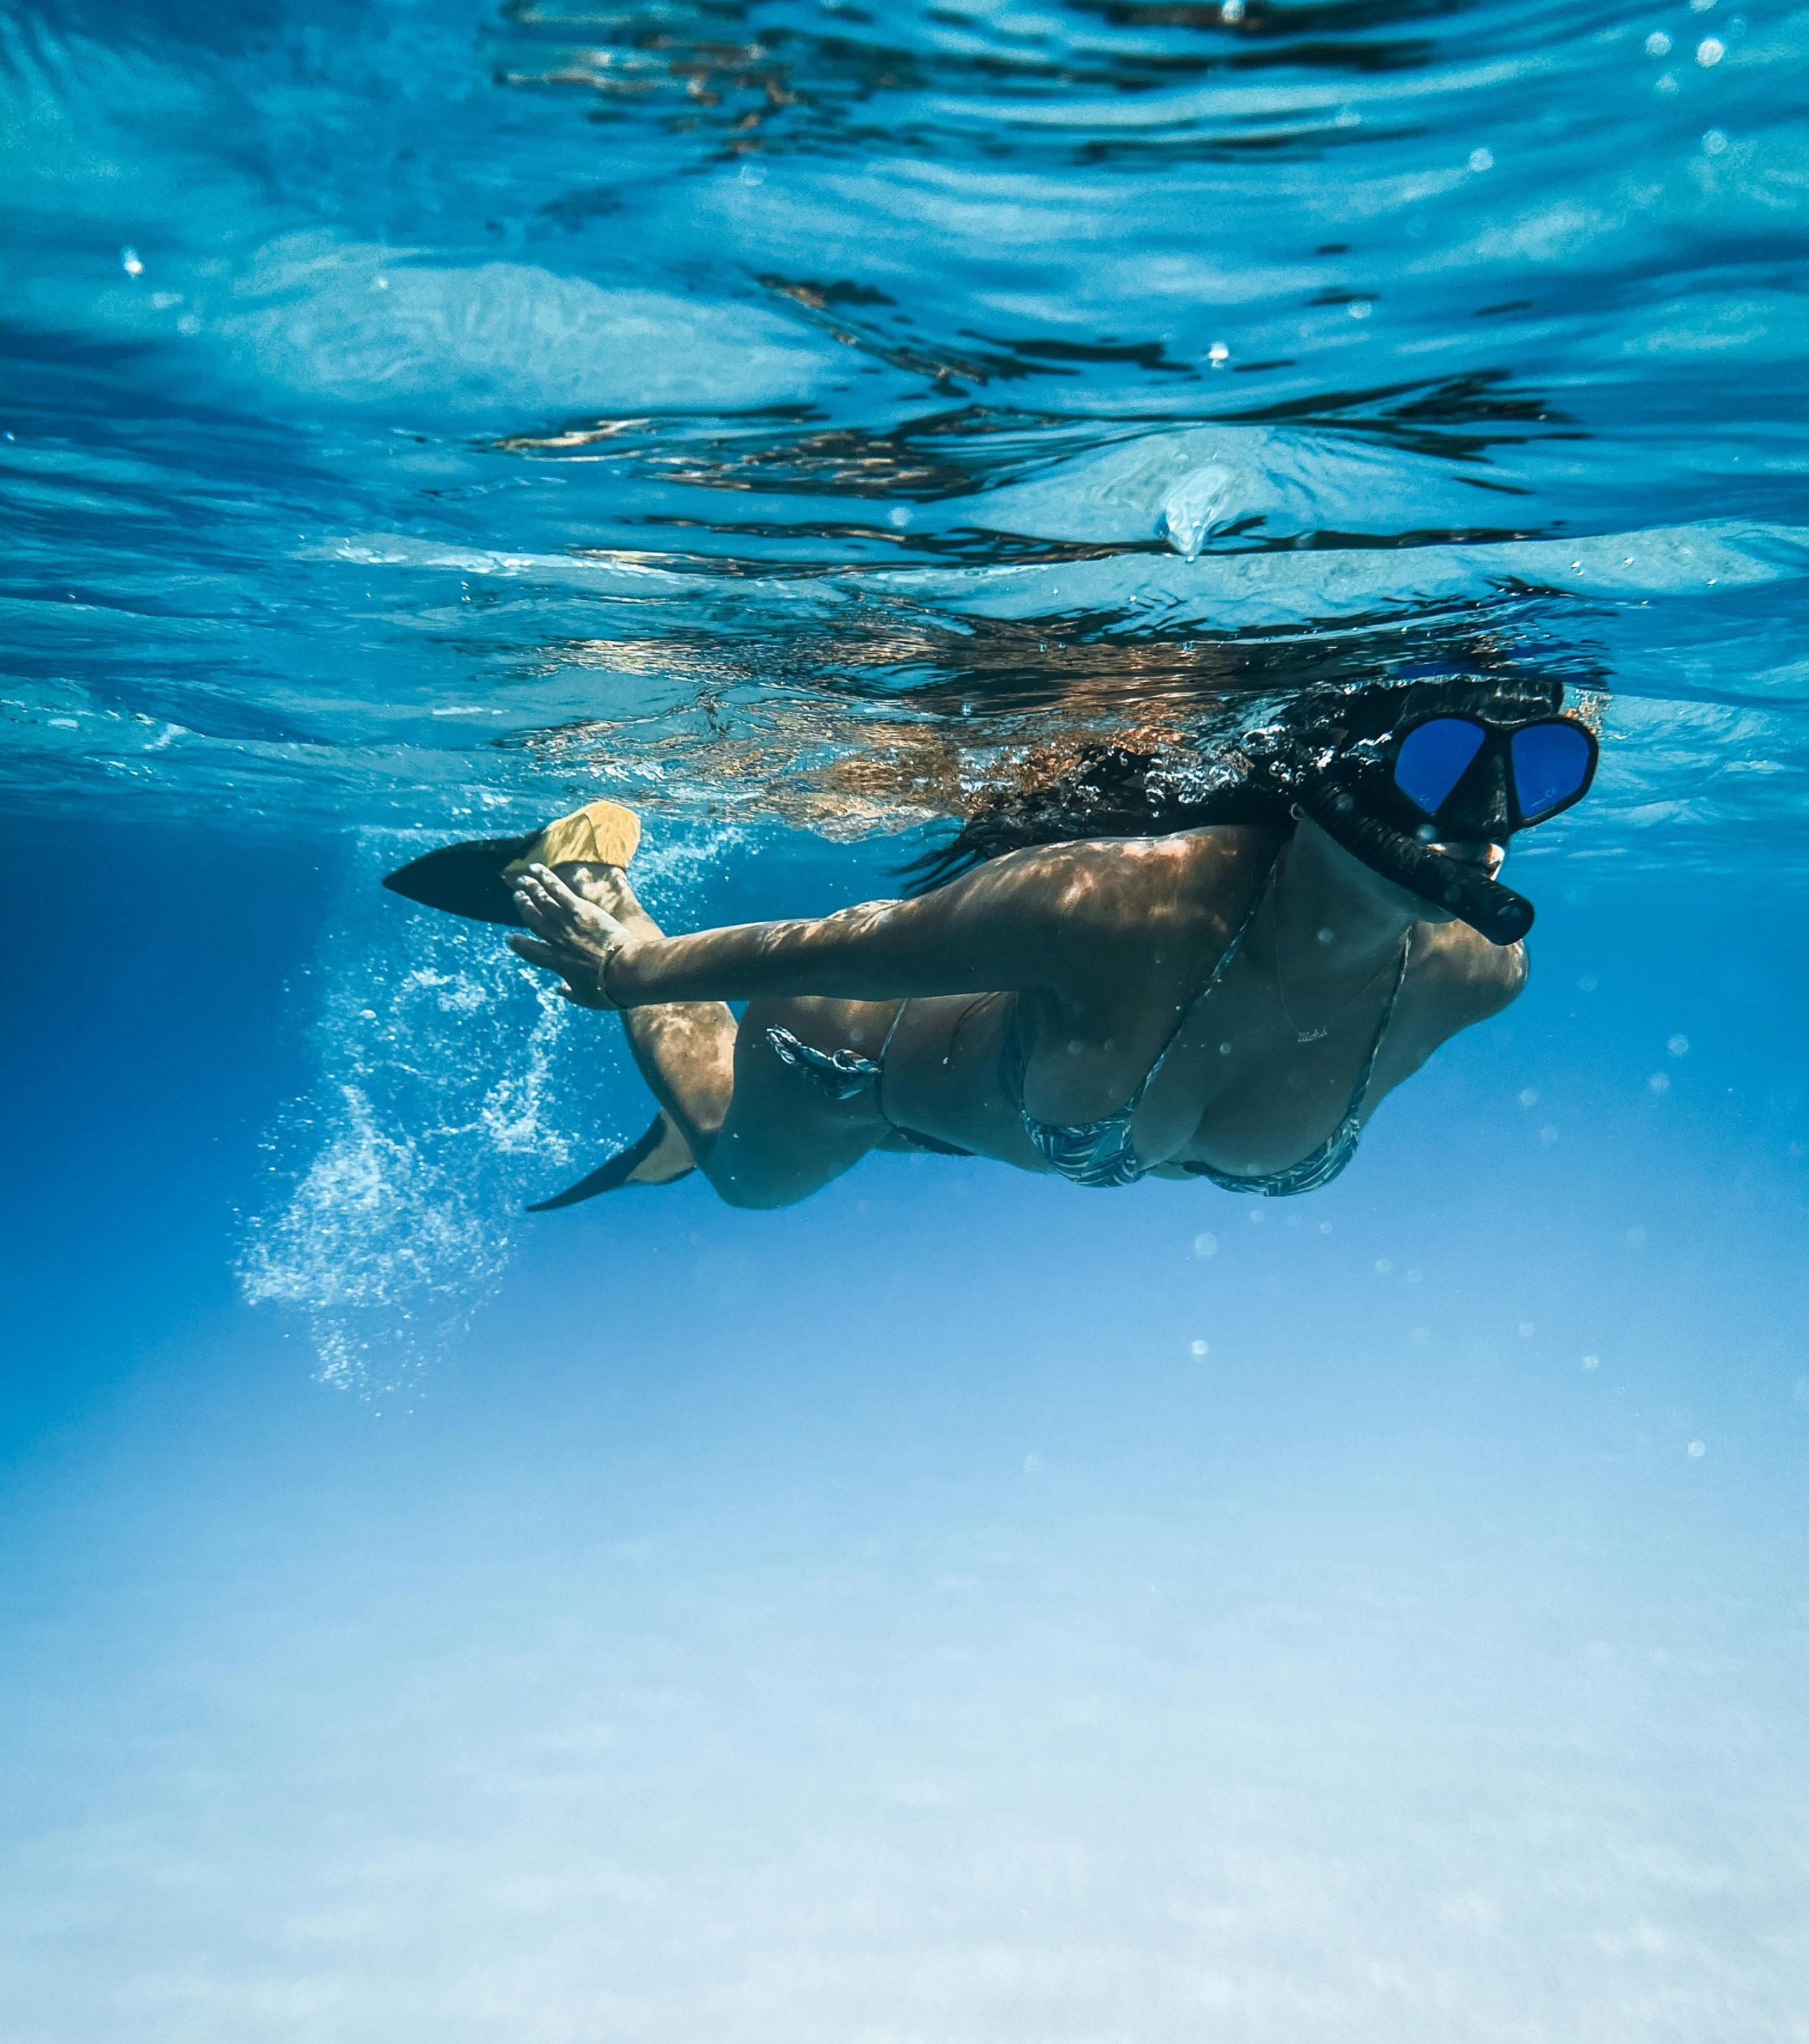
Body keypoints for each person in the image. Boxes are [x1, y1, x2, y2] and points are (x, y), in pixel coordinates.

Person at [386, 670, 1598, 1211]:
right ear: (1337, 776)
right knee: (744, 1180)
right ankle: (595, 870)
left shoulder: (1477, 974)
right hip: (849, 1052)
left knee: (916, 1126)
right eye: (1441, 765)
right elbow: (849, 947)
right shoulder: (1123, 907)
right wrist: (630, 968)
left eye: (1542, 775)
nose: (1488, 826)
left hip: (984, 1102)